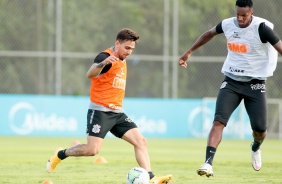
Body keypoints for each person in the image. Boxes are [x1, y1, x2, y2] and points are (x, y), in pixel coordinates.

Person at [46, 28, 172, 184]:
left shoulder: (123, 58)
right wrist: (103, 63)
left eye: (132, 49)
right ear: (117, 43)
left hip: (117, 113)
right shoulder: (105, 57)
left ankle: (152, 178)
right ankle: (61, 154)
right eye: (127, 48)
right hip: (100, 111)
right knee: (92, 150)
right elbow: (90, 73)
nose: (129, 52)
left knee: (141, 142)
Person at [179, 0, 282, 177]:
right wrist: (189, 52)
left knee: (260, 130)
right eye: (238, 15)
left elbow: (279, 47)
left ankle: (255, 147)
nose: (240, 19)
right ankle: (208, 163)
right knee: (218, 122)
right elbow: (208, 34)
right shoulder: (228, 24)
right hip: (232, 82)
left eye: (244, 15)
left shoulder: (262, 28)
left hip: (255, 84)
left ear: (252, 13)